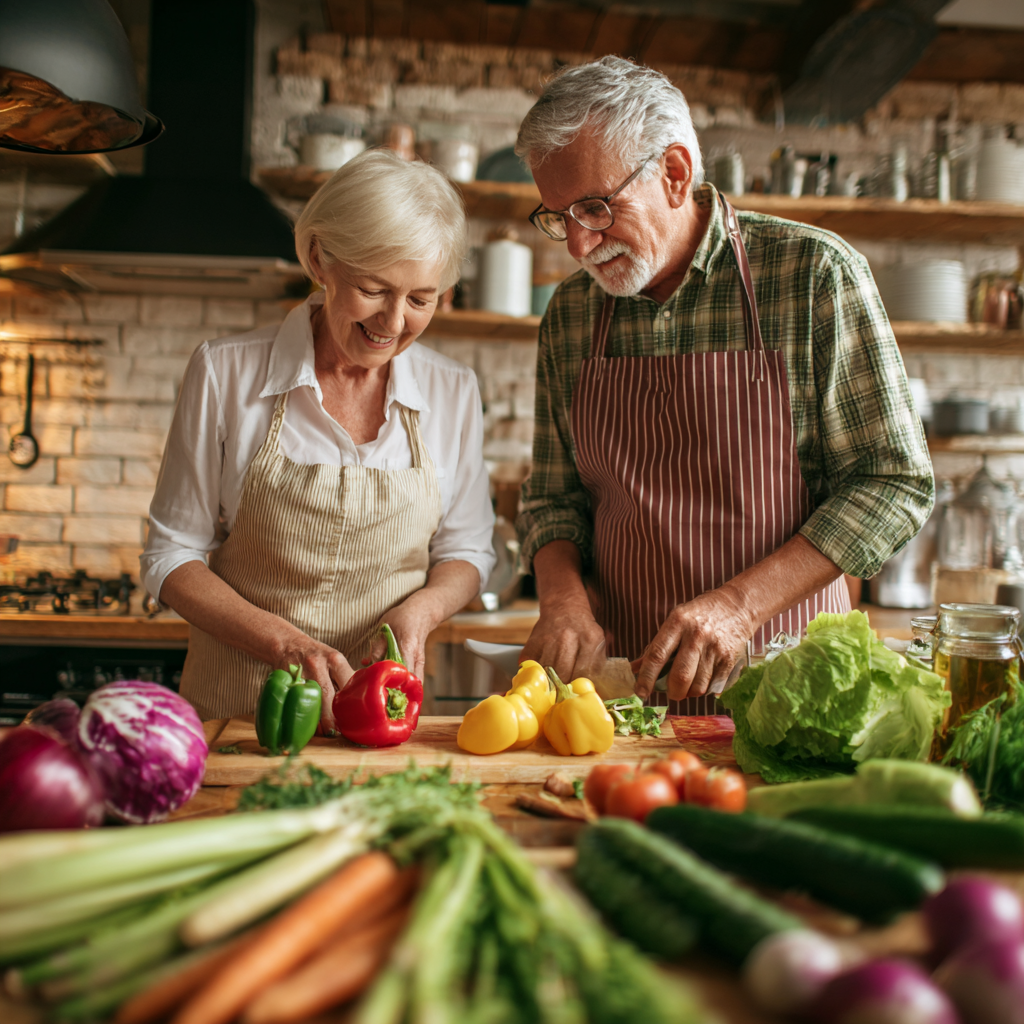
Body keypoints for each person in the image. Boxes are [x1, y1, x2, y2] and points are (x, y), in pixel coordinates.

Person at [514, 57, 934, 709]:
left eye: (595, 208)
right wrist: (562, 598)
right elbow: (552, 498)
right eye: (557, 216)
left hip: (790, 685)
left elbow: (893, 480)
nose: (576, 244)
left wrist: (740, 606)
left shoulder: (814, 276)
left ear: (675, 174)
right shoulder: (571, 314)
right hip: (627, 697)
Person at [142, 150, 495, 731]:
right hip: (243, 716)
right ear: (318, 258)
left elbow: (467, 551)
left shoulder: (453, 389)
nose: (393, 321)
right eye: (373, 288)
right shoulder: (224, 372)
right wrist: (284, 644)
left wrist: (421, 612)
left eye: (421, 299)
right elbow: (172, 555)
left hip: (383, 717)